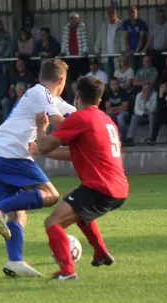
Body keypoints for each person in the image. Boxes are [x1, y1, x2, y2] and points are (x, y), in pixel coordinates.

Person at [0, 59, 75, 277]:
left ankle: (15, 261)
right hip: (10, 154)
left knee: (18, 214)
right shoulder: (39, 93)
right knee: (50, 195)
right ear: (62, 80)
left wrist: (101, 125)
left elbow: (77, 116)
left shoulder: (48, 97)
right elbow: (60, 122)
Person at [34, 76, 128, 280]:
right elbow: (72, 153)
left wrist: (41, 129)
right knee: (73, 201)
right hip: (118, 188)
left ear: (77, 96)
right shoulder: (106, 120)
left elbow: (45, 144)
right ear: (100, 100)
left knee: (52, 222)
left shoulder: (81, 118)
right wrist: (41, 151)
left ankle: (66, 271)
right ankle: (101, 253)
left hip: (100, 188)